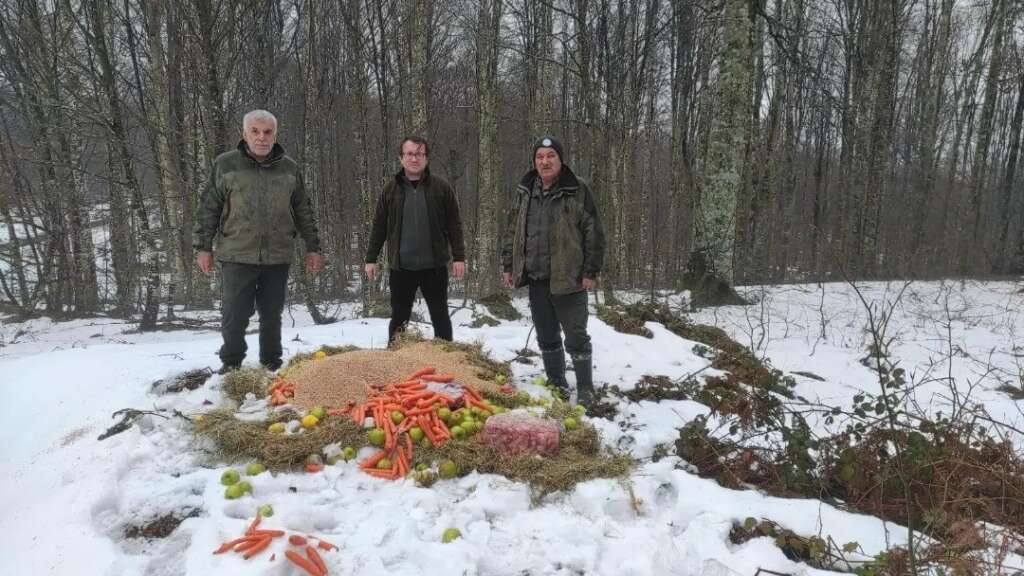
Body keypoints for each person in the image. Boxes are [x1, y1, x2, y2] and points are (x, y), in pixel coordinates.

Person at [193, 109, 323, 374]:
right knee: (234, 315)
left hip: (277, 254)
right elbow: (209, 207)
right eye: (255, 131)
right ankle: (231, 364)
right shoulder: (226, 164)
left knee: (272, 315)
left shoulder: (289, 168)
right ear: (244, 134)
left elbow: (303, 210)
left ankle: (271, 363)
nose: (261, 138)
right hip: (237, 253)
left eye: (267, 132)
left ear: (275, 135)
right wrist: (203, 246)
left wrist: (313, 246)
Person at [501, 136, 605, 406]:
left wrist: (590, 271)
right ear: (534, 161)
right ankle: (557, 382)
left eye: (550, 156)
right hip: (536, 277)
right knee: (546, 334)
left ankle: (585, 388)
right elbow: (512, 229)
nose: (545, 161)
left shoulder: (577, 189)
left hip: (569, 278)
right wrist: (509, 264)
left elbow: (593, 231)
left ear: (560, 160)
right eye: (540, 157)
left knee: (576, 336)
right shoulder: (525, 190)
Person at [365, 136, 466, 344]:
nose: (414, 159)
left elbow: (454, 225)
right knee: (399, 319)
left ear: (426, 158)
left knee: (440, 317)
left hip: (434, 267)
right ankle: (395, 359)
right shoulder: (390, 190)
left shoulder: (441, 188)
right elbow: (379, 226)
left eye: (419, 154)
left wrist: (459, 257)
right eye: (409, 154)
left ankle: (446, 361)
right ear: (401, 158)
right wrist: (370, 258)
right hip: (402, 268)